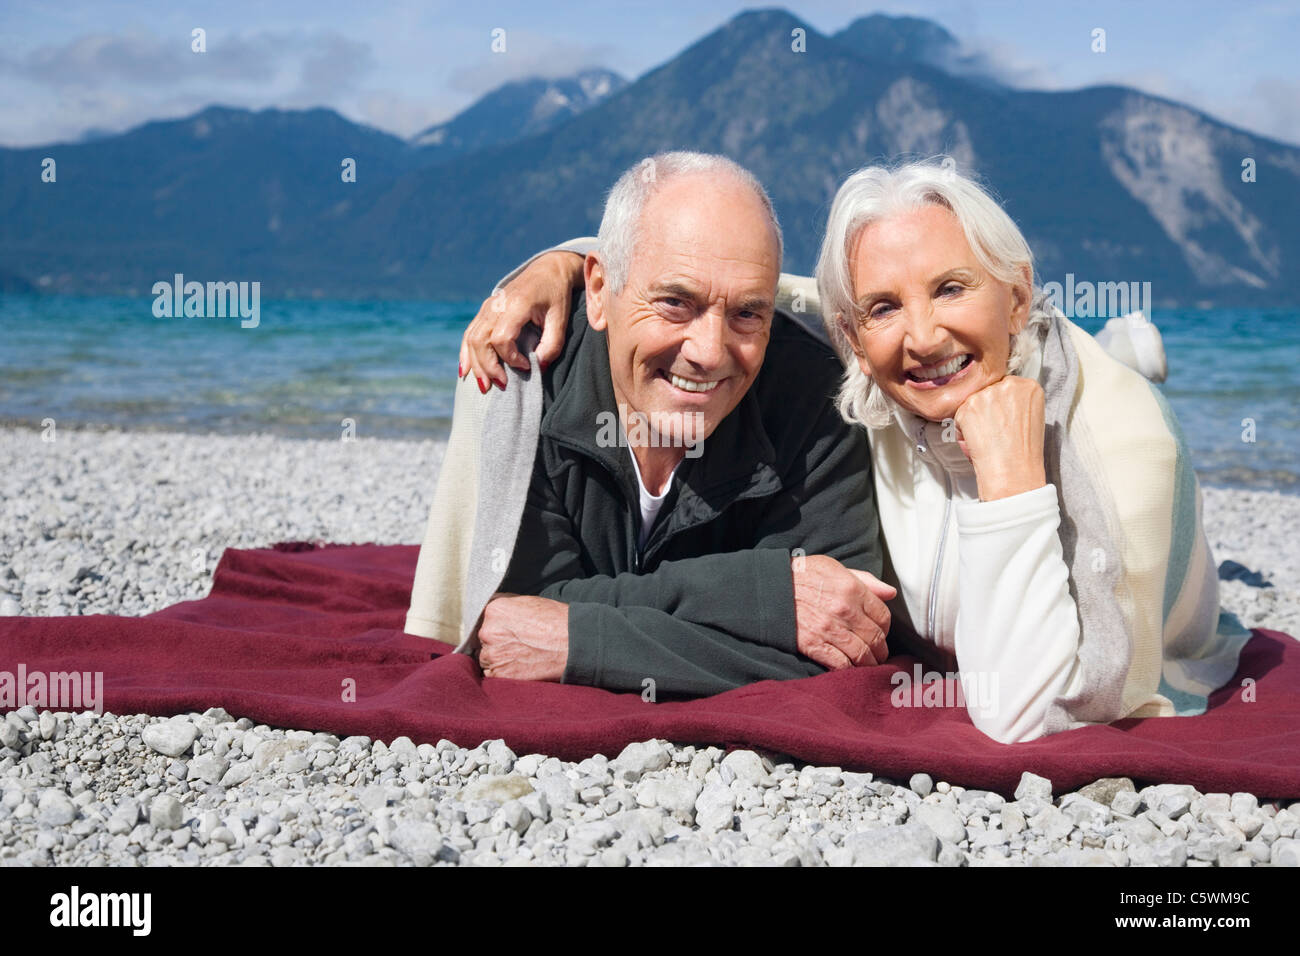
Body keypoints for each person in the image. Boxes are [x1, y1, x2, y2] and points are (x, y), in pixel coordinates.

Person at [460, 158, 1251, 743]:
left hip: (1113, 457)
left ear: (1016, 294)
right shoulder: (867, 382)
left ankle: (1119, 355)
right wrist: (561, 261)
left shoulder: (1123, 451)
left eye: (952, 288)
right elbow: (754, 280)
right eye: (882, 307)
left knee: (1113, 387)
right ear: (852, 335)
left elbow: (1028, 710)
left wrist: (1012, 479)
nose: (922, 336)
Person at [406, 151, 897, 699]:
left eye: (747, 314)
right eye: (674, 303)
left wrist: (580, 641)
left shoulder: (818, 396)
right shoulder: (521, 380)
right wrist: (764, 597)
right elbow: (510, 619)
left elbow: (841, 644)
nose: (709, 353)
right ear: (598, 291)